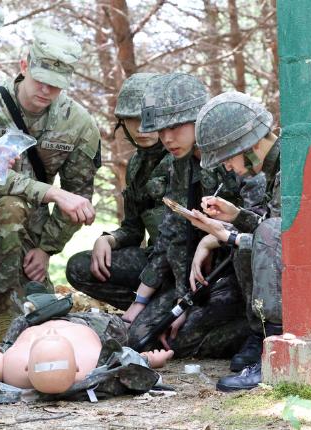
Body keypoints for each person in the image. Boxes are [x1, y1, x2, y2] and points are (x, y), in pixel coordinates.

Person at [0, 26, 100, 342]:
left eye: (55, 86)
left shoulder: (78, 124)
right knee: (8, 206)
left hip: (33, 227)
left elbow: (79, 196)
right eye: (40, 80)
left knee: (38, 311)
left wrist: (46, 249)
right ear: (24, 65)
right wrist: (52, 193)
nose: (45, 90)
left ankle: (12, 309)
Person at [119, 73, 251, 359]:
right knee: (142, 337)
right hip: (202, 278)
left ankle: (261, 334)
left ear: (199, 120)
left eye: (176, 126)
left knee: (181, 342)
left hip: (241, 271)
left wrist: (211, 241)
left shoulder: (235, 154)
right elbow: (175, 232)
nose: (167, 138)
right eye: (162, 129)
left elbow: (260, 223)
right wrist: (181, 300)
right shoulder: (182, 163)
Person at [186, 91, 282, 391]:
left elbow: (280, 237)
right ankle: (263, 339)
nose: (227, 168)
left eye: (228, 158)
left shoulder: (289, 165)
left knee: (255, 238)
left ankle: (276, 354)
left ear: (250, 145)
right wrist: (236, 216)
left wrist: (227, 235)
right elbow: (283, 231)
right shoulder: (278, 164)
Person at [65, 73, 168, 310]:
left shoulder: (184, 156)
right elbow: (133, 228)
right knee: (80, 267)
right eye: (133, 118)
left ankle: (152, 312)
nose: (142, 126)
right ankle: (146, 312)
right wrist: (109, 239)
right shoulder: (136, 165)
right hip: (155, 260)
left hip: (186, 264)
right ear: (122, 121)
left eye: (149, 117)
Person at [0, 314, 174, 394]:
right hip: (87, 322)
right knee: (119, 329)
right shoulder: (94, 363)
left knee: (22, 314)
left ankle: (38, 302)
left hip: (28, 322)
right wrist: (150, 359)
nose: (52, 330)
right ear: (77, 368)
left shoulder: (10, 367)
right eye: (57, 338)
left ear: (27, 367)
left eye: (47, 337)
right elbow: (129, 360)